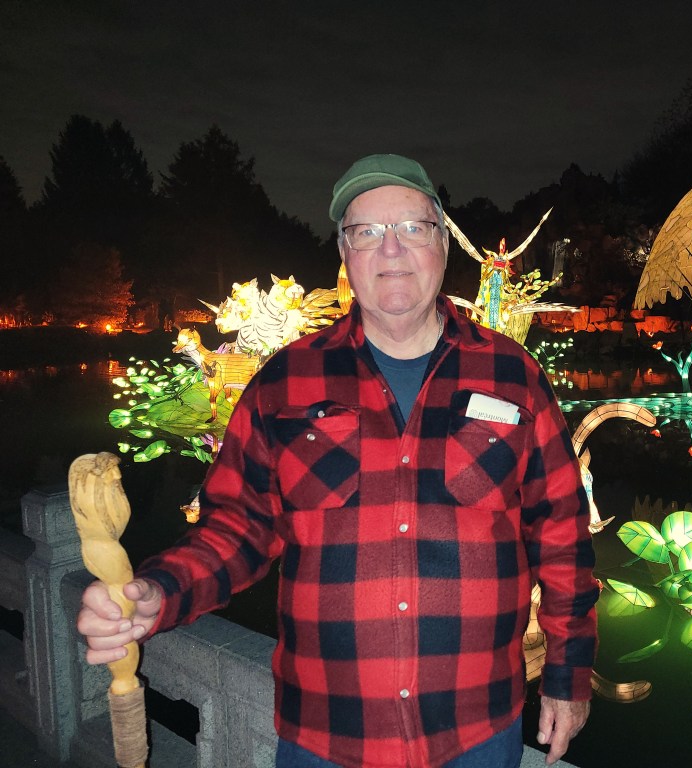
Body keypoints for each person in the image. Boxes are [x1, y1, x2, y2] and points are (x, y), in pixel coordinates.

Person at [78, 153, 600, 768]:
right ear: (345, 254)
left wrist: (568, 673)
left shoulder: (514, 375)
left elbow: (561, 536)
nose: (391, 249)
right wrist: (157, 592)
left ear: (442, 243)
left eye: (412, 227)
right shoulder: (284, 381)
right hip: (326, 733)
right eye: (367, 232)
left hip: (476, 727)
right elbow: (236, 529)